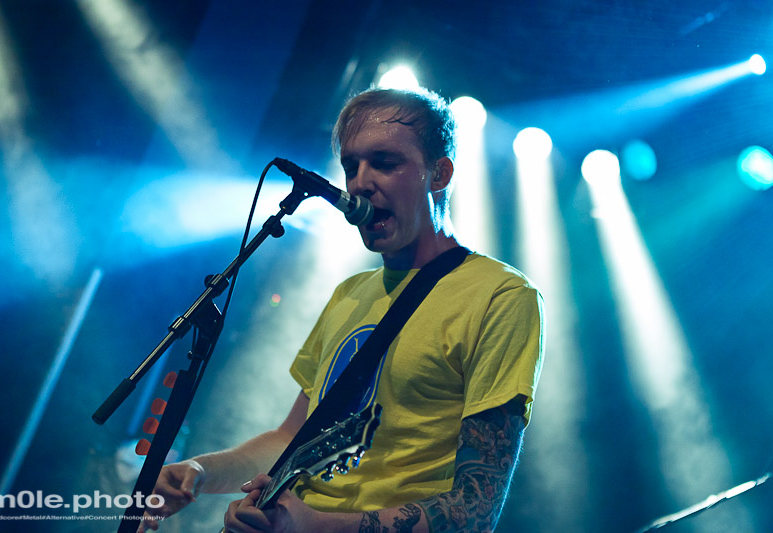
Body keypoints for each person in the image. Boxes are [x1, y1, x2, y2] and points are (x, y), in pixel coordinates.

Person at [139, 87, 544, 533]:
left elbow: (476, 510)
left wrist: (311, 524)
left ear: (439, 174)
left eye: (384, 163)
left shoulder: (500, 295)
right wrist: (199, 473)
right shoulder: (350, 293)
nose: (360, 183)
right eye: (352, 166)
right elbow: (291, 439)